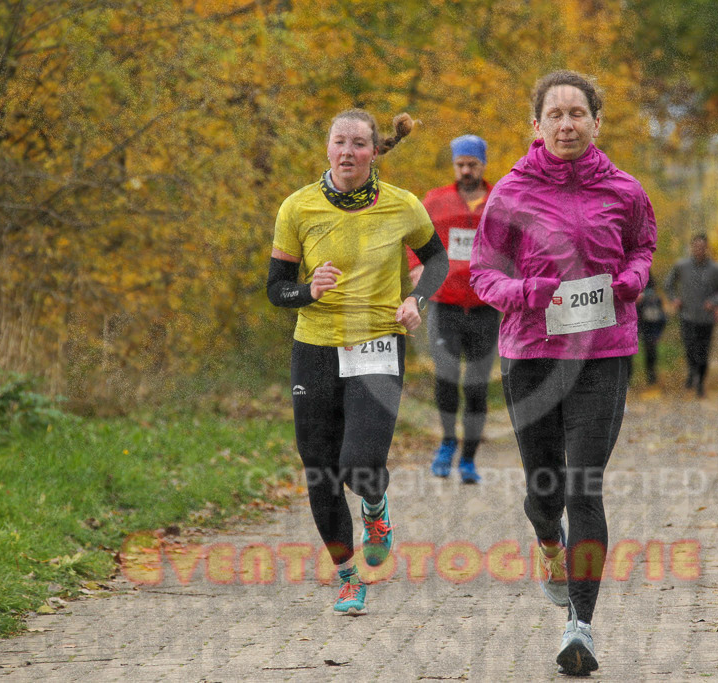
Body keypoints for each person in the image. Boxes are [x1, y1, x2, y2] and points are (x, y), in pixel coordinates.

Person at [470, 70, 656, 676]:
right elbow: (483, 273)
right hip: (531, 355)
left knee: (585, 487)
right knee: (544, 491)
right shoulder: (510, 193)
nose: (567, 123)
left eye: (578, 113)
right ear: (537, 125)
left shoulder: (626, 190)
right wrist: (526, 292)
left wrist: (633, 279)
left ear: (597, 122)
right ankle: (547, 539)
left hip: (602, 354)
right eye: (556, 114)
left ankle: (580, 626)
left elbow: (641, 248)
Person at [267, 109, 447, 616]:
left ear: (374, 151)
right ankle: (349, 577)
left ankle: (375, 508)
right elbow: (276, 289)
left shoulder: (402, 206)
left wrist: (418, 301)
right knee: (320, 470)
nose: (348, 152)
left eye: (359, 144)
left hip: (376, 343)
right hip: (316, 347)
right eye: (339, 141)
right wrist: (307, 289)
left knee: (360, 463)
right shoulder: (297, 208)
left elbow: (436, 260)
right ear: (327, 148)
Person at [409, 135, 498, 483]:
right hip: (445, 305)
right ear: (454, 165)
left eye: (472, 165)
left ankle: (469, 459)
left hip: (485, 306)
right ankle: (447, 442)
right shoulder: (435, 200)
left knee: (476, 386)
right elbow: (413, 234)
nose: (466, 171)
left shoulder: (499, 201)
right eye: (460, 164)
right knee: (446, 378)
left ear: (483, 165)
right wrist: (416, 265)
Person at [664, 234, 718, 398]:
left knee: (703, 352)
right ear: (691, 247)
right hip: (687, 316)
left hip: (706, 318)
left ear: (706, 248)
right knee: (690, 348)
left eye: (702, 247)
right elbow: (668, 285)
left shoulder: (715, 269)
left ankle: (700, 383)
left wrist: (714, 301)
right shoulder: (681, 266)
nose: (699, 250)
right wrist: (674, 299)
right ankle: (692, 372)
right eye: (696, 247)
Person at [635, 278, 667, 384]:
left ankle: (651, 377)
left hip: (648, 322)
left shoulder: (653, 299)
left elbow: (661, 318)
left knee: (650, 349)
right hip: (631, 314)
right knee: (627, 353)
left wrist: (644, 296)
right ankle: (626, 379)